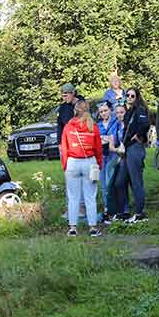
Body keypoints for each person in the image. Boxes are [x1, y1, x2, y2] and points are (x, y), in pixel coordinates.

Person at [60, 99, 104, 237]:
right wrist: (99, 164)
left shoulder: (68, 126)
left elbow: (64, 148)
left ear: (75, 110)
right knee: (90, 196)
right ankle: (92, 228)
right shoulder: (93, 126)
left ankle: (73, 228)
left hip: (72, 162)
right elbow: (98, 149)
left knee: (73, 197)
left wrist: (65, 165)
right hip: (89, 162)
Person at [115, 88, 150, 223]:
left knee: (136, 182)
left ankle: (140, 213)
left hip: (135, 148)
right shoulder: (129, 111)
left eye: (132, 95)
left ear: (137, 97)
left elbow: (145, 124)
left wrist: (138, 135)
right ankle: (125, 211)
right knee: (120, 181)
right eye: (127, 95)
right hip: (127, 149)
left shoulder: (139, 109)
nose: (129, 97)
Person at [107, 102, 130, 221]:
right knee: (118, 183)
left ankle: (129, 209)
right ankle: (122, 210)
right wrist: (118, 150)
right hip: (120, 157)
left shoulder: (130, 124)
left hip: (130, 157)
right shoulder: (115, 125)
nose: (119, 115)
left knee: (126, 182)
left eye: (122, 112)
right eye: (117, 113)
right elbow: (111, 145)